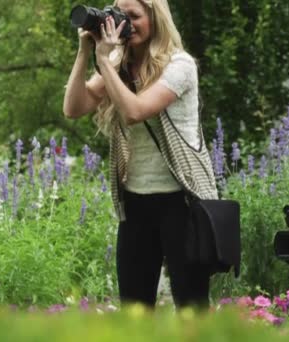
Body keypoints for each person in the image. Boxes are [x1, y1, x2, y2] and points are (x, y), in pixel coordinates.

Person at [63, 0, 218, 309]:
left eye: (134, 17)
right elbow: (73, 108)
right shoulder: (119, 66)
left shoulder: (180, 65)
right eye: (121, 17)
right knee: (134, 310)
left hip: (182, 200)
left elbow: (135, 111)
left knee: (192, 308)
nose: (126, 24)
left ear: (155, 18)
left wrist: (105, 63)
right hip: (135, 202)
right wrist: (86, 52)